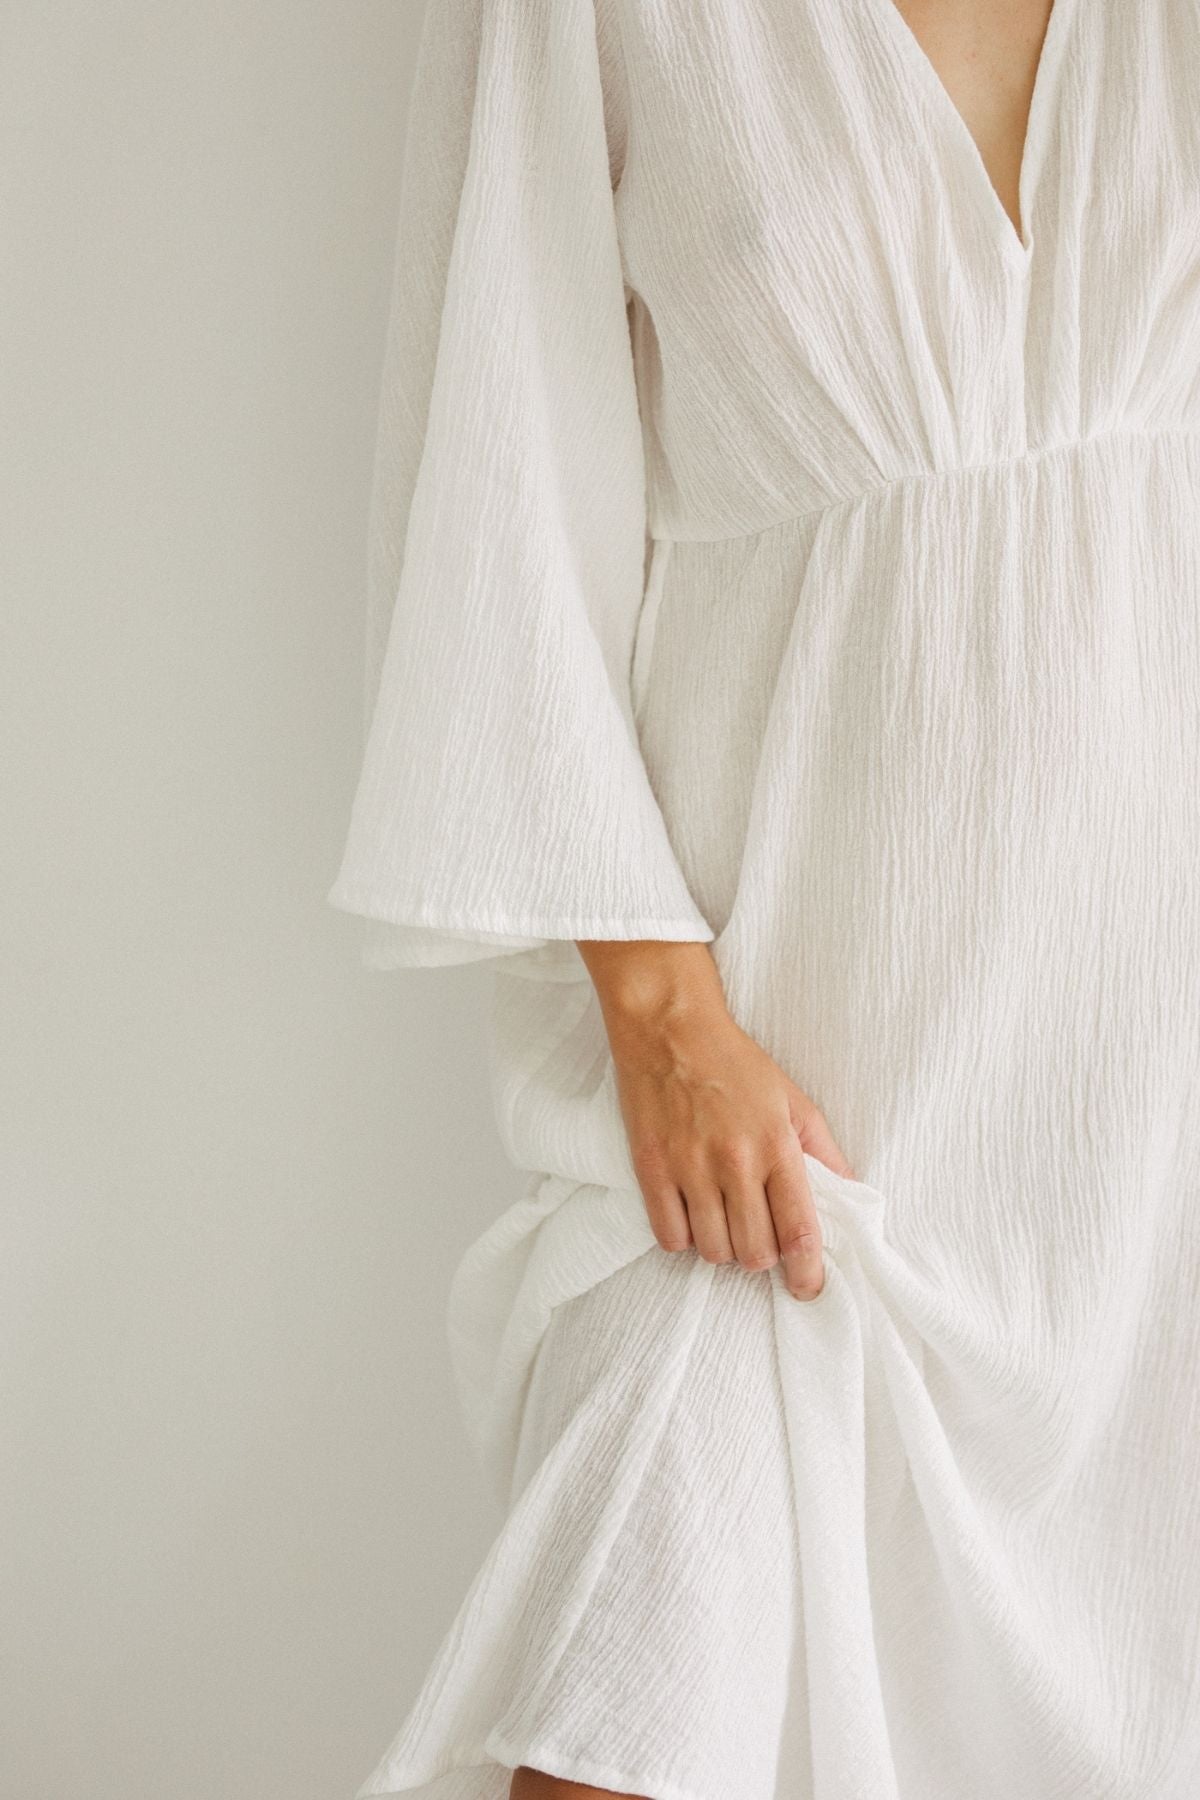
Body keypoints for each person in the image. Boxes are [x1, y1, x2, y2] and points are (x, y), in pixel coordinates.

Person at [328, 0, 1200, 1795]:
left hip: (1147, 1137)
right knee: (619, 1711)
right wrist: (658, 1014)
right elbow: (491, 473)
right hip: (786, 1120)